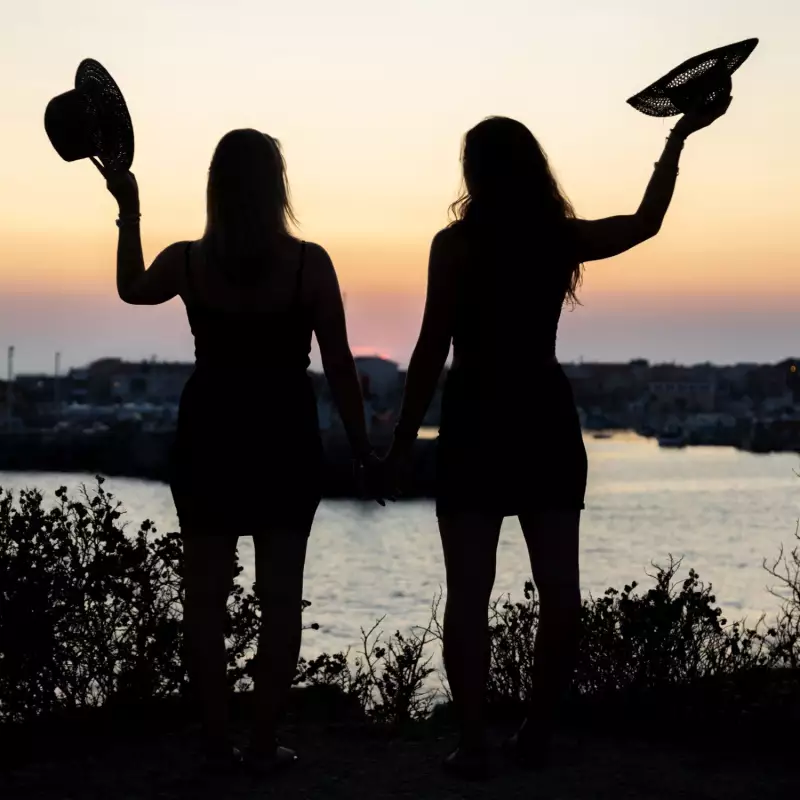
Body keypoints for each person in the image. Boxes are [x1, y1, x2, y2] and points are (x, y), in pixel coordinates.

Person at [384, 97, 732, 778]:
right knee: (560, 590)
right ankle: (537, 732)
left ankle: (476, 743)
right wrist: (677, 138)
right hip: (543, 413)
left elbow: (430, 348)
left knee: (468, 594)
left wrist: (401, 439)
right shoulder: (556, 237)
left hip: (477, 415)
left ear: (474, 173)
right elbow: (645, 222)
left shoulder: (454, 245)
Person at [103, 128, 383, 771]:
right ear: (276, 185)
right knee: (280, 597)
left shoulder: (188, 261)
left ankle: (212, 740)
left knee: (204, 597)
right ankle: (261, 743)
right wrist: (364, 448)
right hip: (283, 435)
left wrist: (129, 206)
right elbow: (339, 363)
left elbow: (130, 288)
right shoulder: (310, 263)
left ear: (216, 187)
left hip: (210, 432)